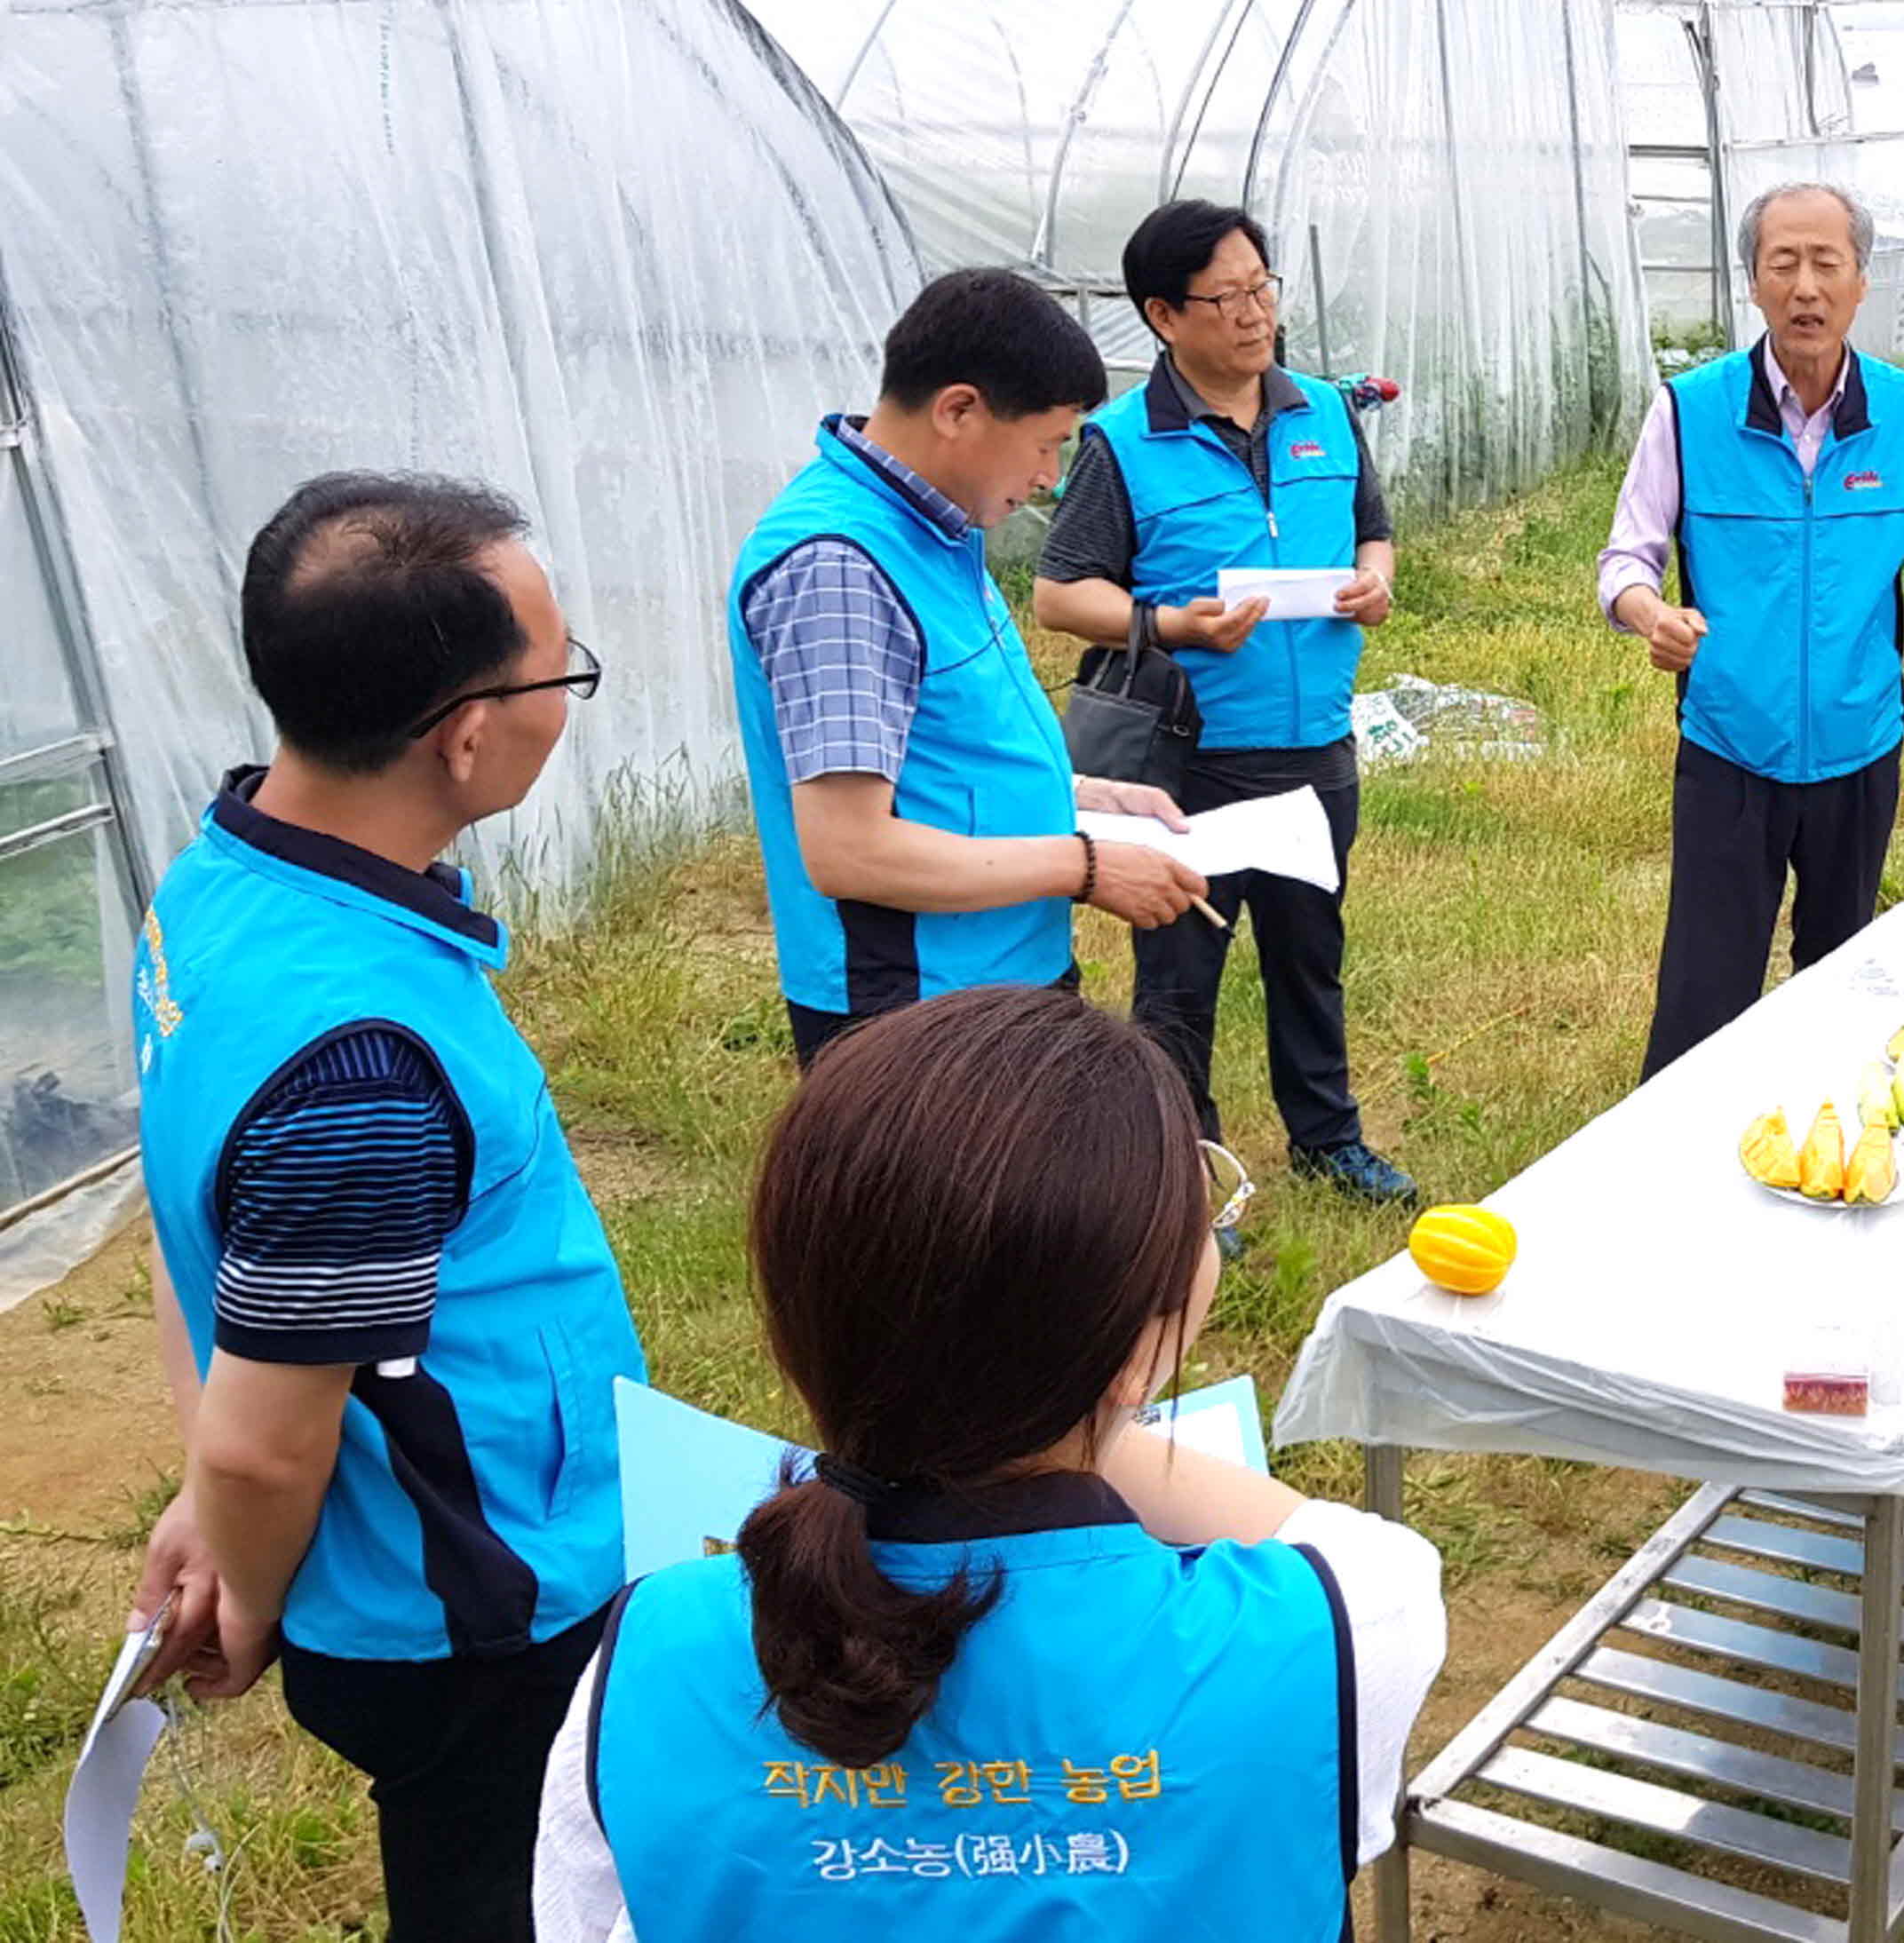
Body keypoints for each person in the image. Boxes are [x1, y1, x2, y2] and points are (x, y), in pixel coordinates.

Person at [532, 986, 1448, 1939]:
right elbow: (1349, 1549)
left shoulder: (641, 1664)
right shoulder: (1340, 1627)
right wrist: (1092, 1406)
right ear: (1135, 1350)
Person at [121, 473, 648, 1940]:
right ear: (468, 732)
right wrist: (237, 1556)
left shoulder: (225, 878)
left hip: (436, 1555)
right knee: (503, 1887)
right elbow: (265, 1438)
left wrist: (212, 1503)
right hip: (471, 1616)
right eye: (561, 670)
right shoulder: (358, 1064)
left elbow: (197, 1232)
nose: (565, 698)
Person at [1032, 200, 1416, 1203]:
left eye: (1262, 288)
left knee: (1309, 955)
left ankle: (1328, 1140)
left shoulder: (1323, 413)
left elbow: (1371, 528)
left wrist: (1375, 577)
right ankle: (1184, 1173)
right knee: (1180, 978)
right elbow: (1061, 591)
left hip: (1315, 747)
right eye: (1226, 297)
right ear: (1164, 315)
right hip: (1187, 760)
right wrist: (1170, 624)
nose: (1254, 315)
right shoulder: (1122, 442)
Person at [729, 267, 1208, 1069]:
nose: (1052, 476)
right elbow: (850, 850)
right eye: (1048, 443)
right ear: (958, 410)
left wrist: (1077, 795)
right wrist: (1085, 866)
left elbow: (935, 750)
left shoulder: (934, 527)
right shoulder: (841, 568)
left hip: (996, 971)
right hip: (920, 1008)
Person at [1599, 183, 1904, 1077]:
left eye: (1828, 264)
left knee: (1844, 977)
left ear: (1861, 283)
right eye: (1784, 264)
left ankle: (1830, 1146)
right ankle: (1688, 1156)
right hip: (1730, 745)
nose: (1806, 287)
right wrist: (1649, 613)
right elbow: (1625, 559)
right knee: (1705, 989)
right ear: (1753, 282)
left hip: (1861, 742)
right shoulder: (1690, 411)